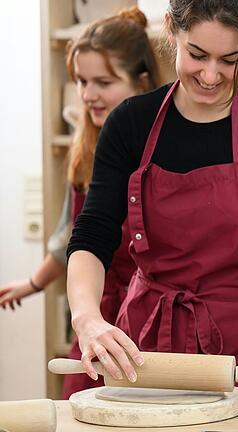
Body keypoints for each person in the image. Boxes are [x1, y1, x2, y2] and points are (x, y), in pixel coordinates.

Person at [66, 0, 238, 398]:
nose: (210, 75)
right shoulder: (130, 123)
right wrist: (86, 318)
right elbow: (92, 234)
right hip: (145, 357)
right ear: (171, 30)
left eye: (229, 60)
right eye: (197, 55)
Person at [0, 7, 160, 399]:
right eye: (81, 82)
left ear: (142, 82)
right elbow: (69, 238)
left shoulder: (168, 146)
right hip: (99, 314)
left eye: (103, 82)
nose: (88, 95)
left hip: (154, 314)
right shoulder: (84, 147)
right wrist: (33, 284)